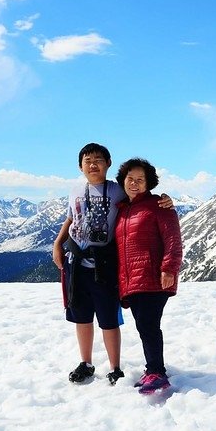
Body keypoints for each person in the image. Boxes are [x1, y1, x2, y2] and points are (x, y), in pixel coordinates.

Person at [52, 143, 172, 386]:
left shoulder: (118, 191)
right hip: (76, 263)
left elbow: (142, 198)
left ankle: (115, 367)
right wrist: (58, 243)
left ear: (108, 163)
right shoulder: (75, 189)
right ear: (80, 166)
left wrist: (166, 199)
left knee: (108, 317)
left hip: (105, 264)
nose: (93, 164)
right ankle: (86, 362)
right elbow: (70, 217)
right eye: (88, 160)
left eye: (98, 159)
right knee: (81, 317)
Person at [114, 158, 183, 393]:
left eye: (140, 179)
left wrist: (169, 269)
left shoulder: (159, 206)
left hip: (152, 276)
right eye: (130, 179)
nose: (134, 183)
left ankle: (157, 372)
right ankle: (153, 368)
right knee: (145, 325)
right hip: (132, 279)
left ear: (149, 182)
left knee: (149, 325)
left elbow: (173, 240)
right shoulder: (123, 209)